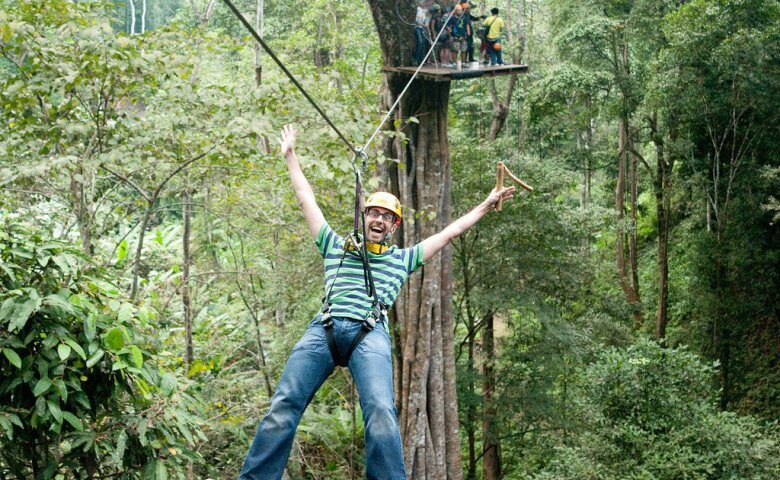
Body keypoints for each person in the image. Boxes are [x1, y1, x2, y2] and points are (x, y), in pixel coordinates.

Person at [238, 125, 516, 480]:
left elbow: (450, 232)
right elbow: (306, 198)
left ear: (394, 226)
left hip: (369, 337)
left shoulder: (402, 259)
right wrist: (290, 156)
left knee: (381, 411)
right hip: (323, 330)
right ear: (363, 216)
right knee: (284, 405)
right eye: (374, 213)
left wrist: (486, 203)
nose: (379, 220)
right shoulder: (334, 245)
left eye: (387, 217)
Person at [447, 4, 471, 69]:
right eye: (458, 11)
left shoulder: (464, 18)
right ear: (455, 11)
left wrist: (468, 34)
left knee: (464, 50)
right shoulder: (452, 18)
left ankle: (463, 63)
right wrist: (451, 33)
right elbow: (448, 26)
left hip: (463, 36)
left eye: (460, 11)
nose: (459, 12)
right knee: (455, 50)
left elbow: (467, 26)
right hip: (455, 36)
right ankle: (454, 63)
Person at [413, 1, 430, 66]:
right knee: (420, 42)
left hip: (421, 28)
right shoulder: (419, 9)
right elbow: (417, 22)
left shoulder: (425, 12)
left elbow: (426, 23)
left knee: (423, 43)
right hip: (417, 28)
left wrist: (425, 25)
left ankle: (420, 60)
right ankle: (416, 59)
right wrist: (423, 24)